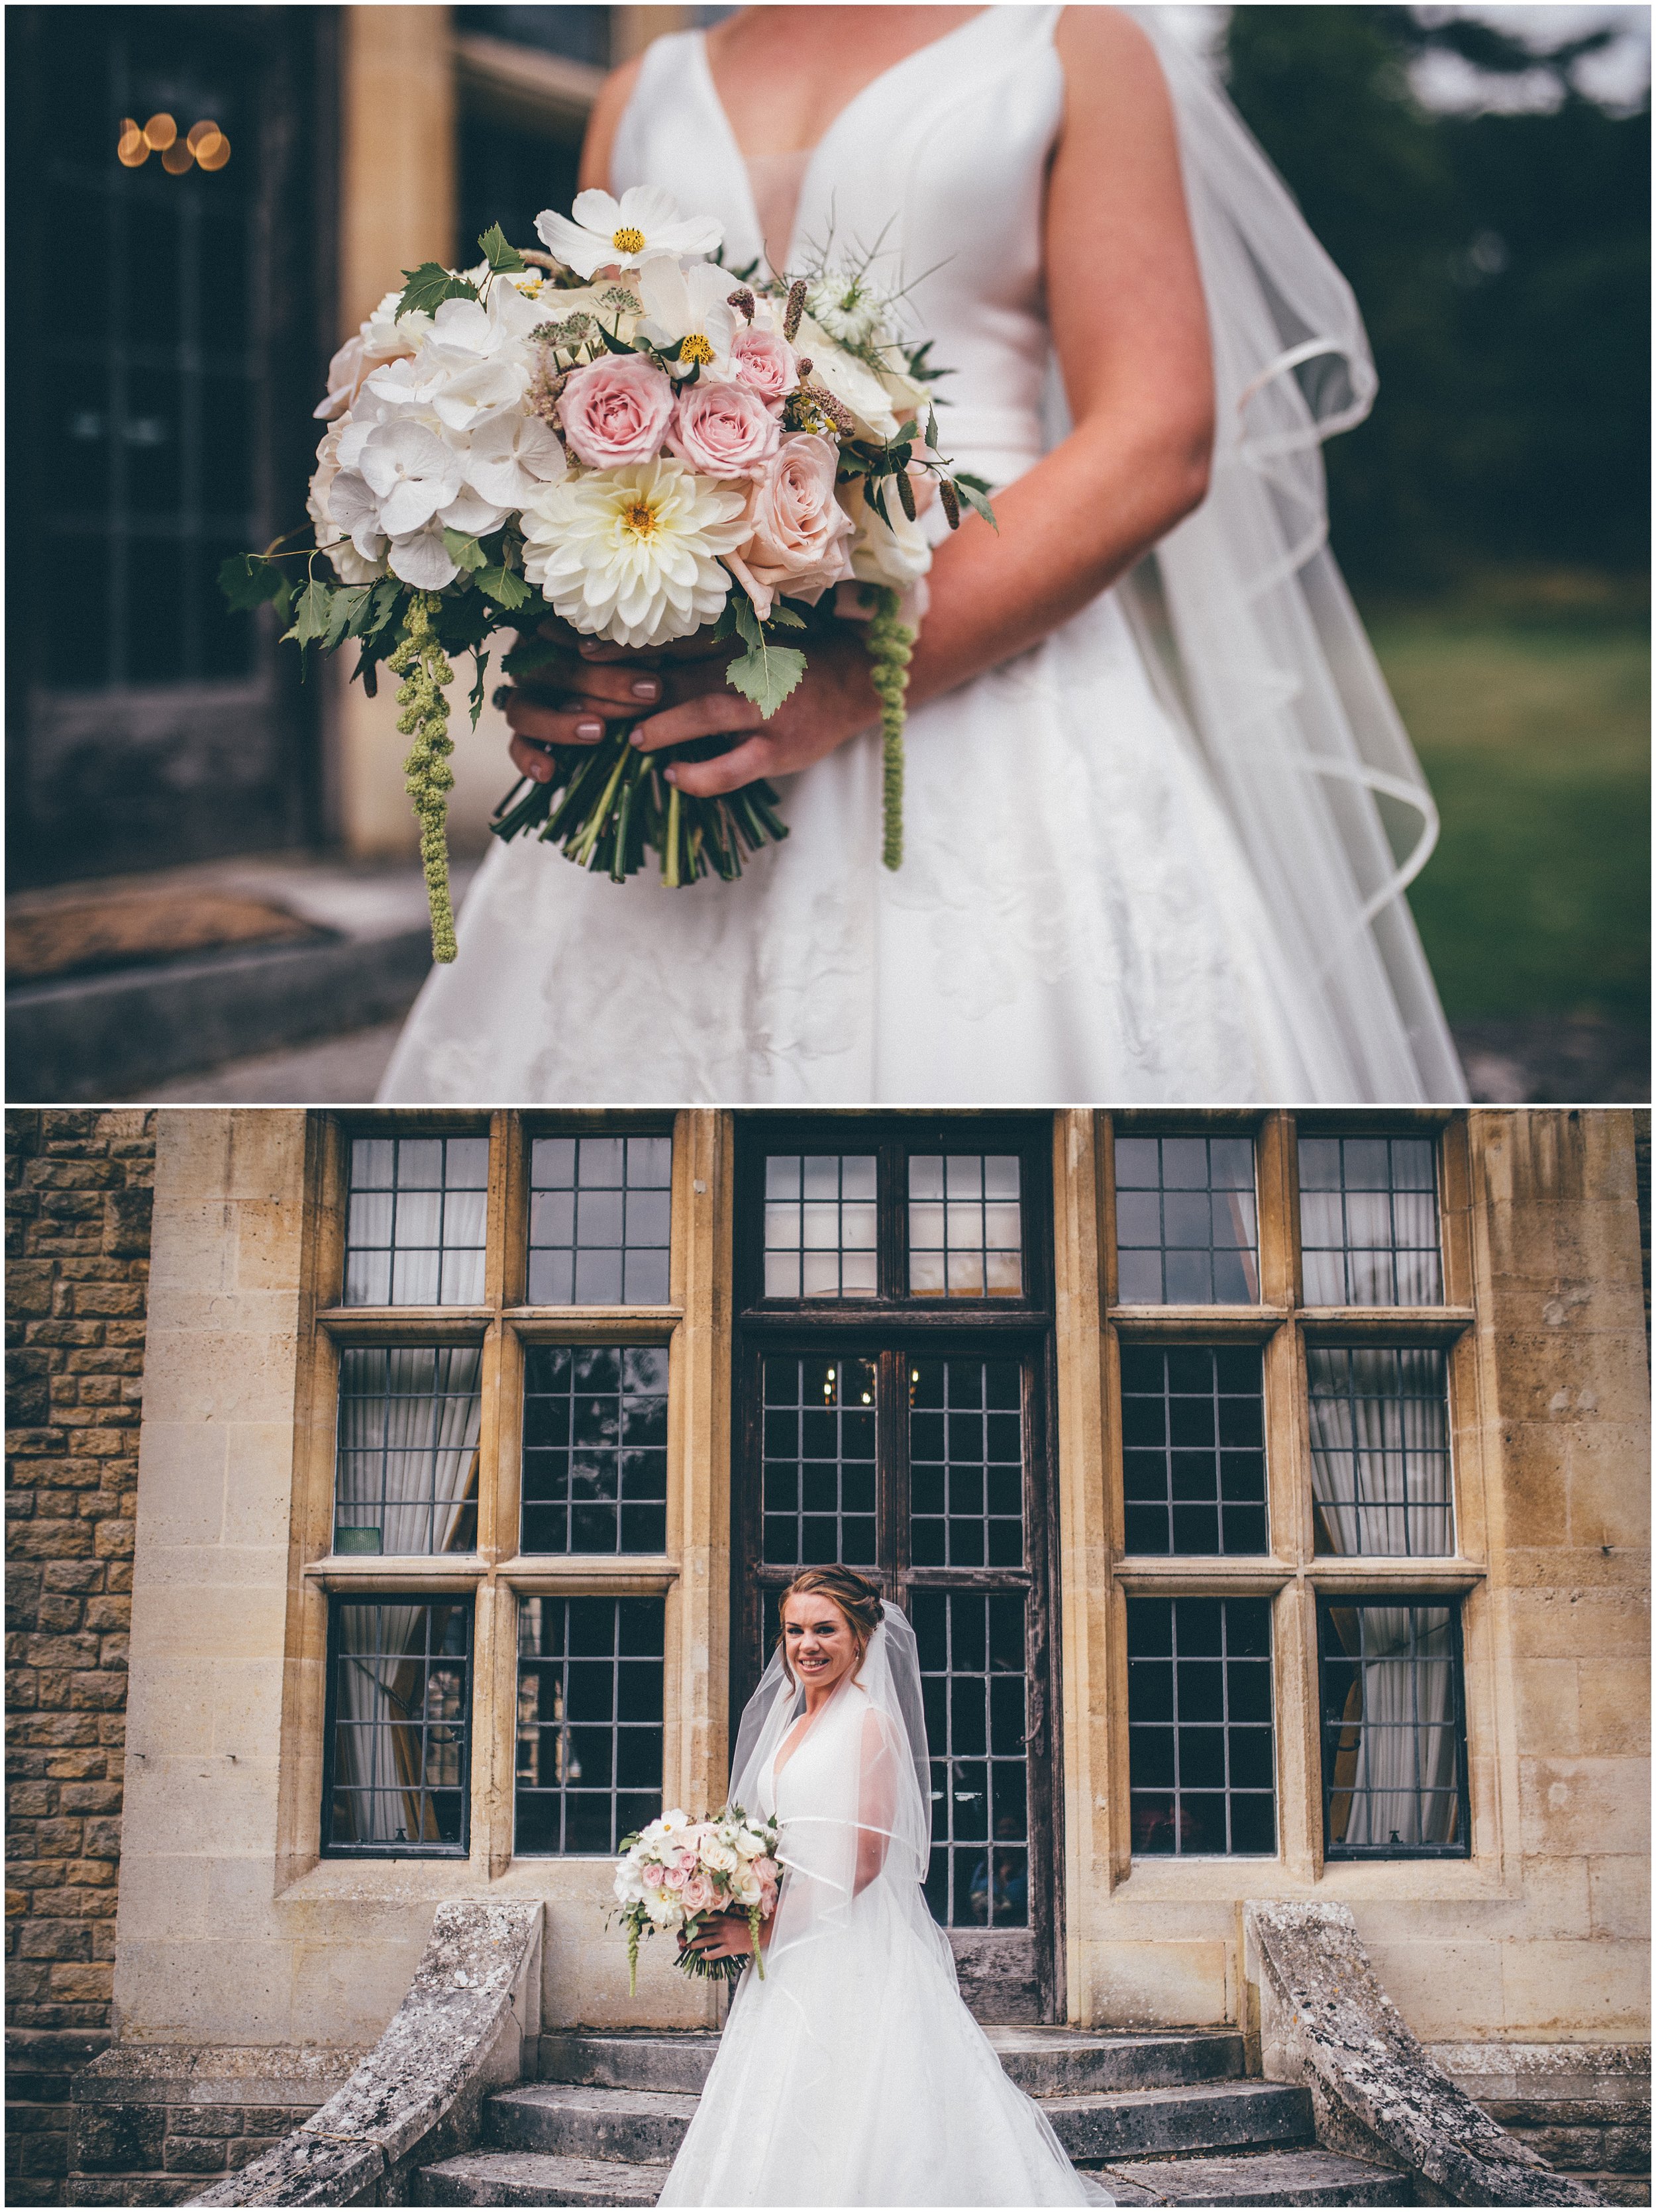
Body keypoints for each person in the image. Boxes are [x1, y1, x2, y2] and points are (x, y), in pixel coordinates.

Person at [380, 5, 1466, 1105]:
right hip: (682, 698)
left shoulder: (1069, 44)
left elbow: (1159, 435)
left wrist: (855, 683)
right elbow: (586, 401)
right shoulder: (641, 90)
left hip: (986, 676)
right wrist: (581, 653)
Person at [654, 1566, 1096, 2207]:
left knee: (864, 2095)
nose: (807, 1644)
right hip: (795, 1942)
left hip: (849, 1939)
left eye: (826, 1629)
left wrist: (764, 1930)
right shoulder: (789, 1720)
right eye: (795, 1629)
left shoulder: (868, 1723)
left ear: (860, 1639)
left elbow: (863, 1860)